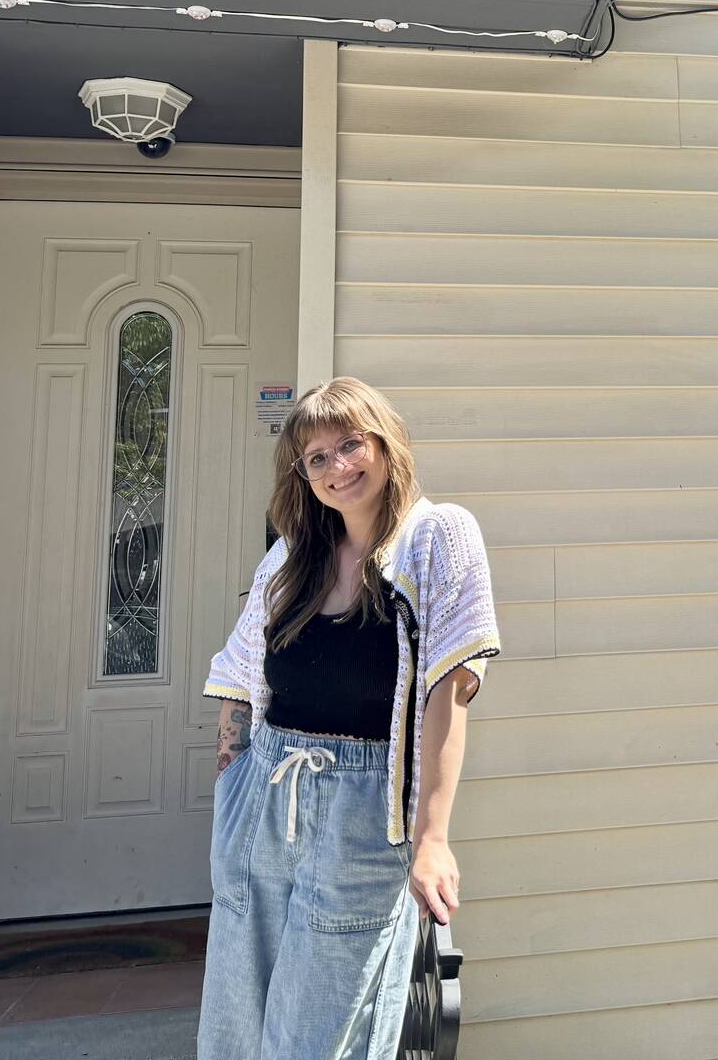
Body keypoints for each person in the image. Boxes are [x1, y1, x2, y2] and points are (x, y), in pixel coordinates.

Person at [195, 377, 499, 1060]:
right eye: (317, 459)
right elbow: (241, 674)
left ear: (385, 444)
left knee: (322, 1033)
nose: (338, 467)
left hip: (366, 812)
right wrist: (233, 775)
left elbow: (451, 688)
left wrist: (432, 837)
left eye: (349, 445)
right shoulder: (291, 556)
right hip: (266, 796)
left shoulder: (438, 537)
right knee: (234, 1025)